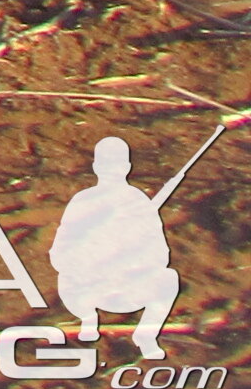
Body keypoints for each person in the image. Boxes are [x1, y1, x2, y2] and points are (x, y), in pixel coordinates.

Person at [52, 135, 184, 360]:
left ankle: (146, 334)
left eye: (117, 165)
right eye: (106, 165)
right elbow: (60, 254)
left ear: (127, 167)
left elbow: (160, 255)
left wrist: (128, 259)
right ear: (96, 167)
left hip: (129, 287)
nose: (112, 171)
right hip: (91, 288)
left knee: (168, 278)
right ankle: (87, 319)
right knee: (67, 279)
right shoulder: (83, 201)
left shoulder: (138, 203)